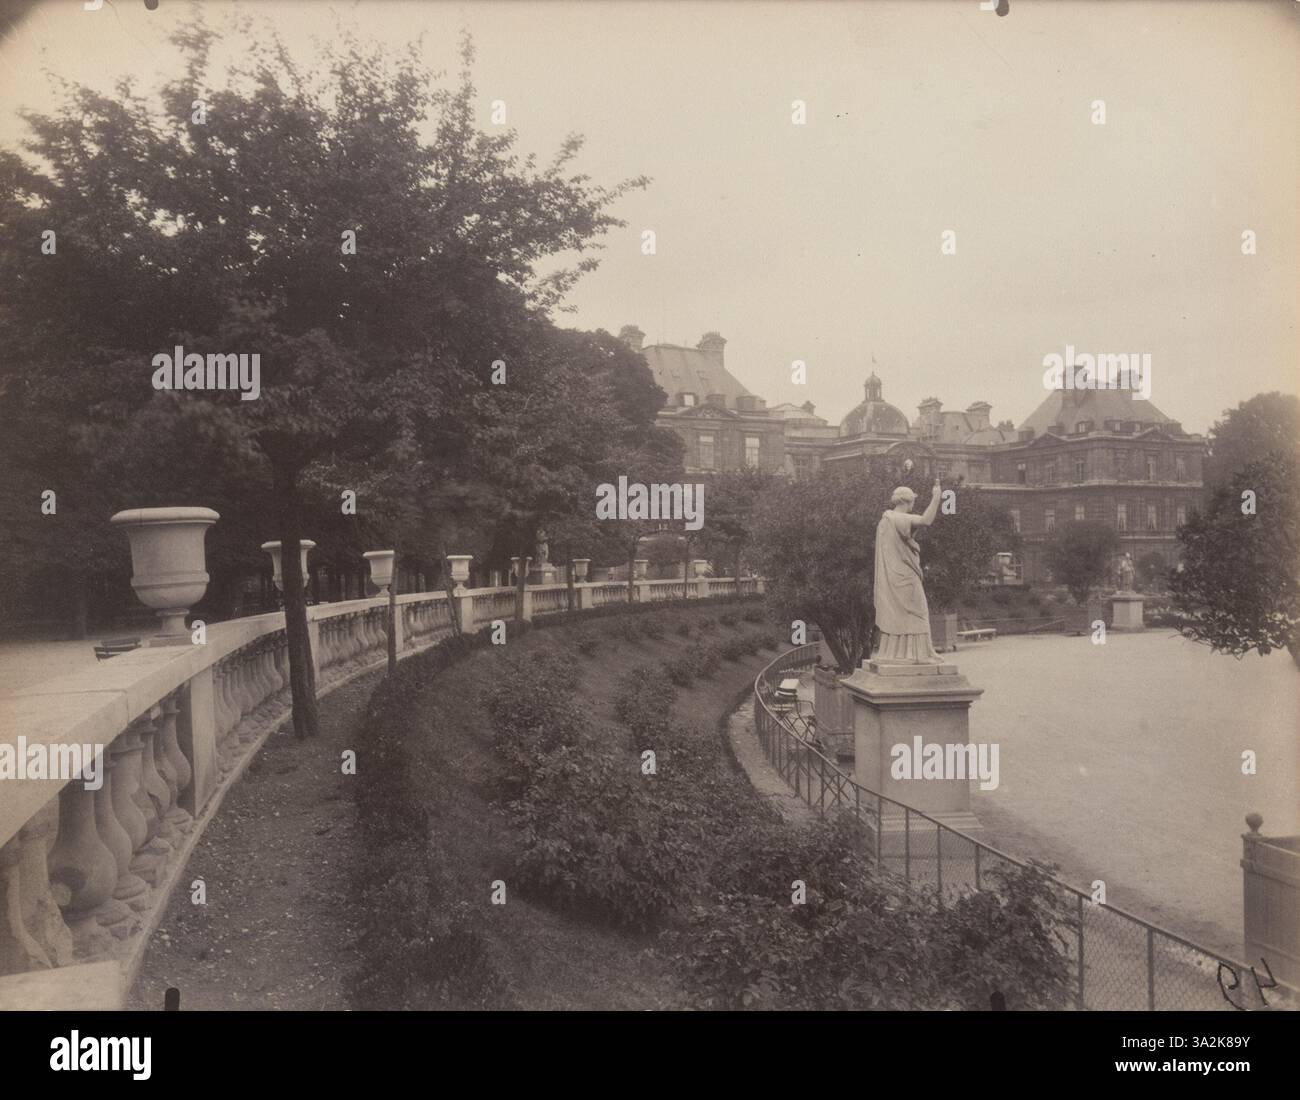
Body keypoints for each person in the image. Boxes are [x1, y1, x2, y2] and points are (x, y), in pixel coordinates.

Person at [873, 481, 944, 663]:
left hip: (892, 576)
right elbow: (926, 520)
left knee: (898, 613)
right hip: (906, 575)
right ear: (908, 501)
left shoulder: (885, 520)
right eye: (913, 500)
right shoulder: (901, 518)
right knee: (919, 611)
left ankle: (897, 652)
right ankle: (920, 654)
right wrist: (936, 497)